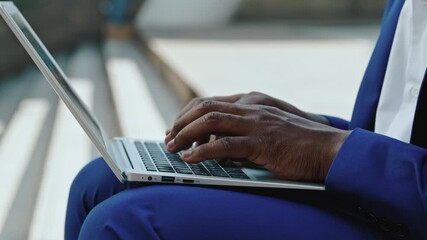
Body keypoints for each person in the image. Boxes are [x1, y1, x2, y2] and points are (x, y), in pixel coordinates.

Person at [65, 0, 427, 239]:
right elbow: (399, 130)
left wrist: (330, 151)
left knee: (123, 223)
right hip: (380, 193)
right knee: (97, 181)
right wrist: (308, 127)